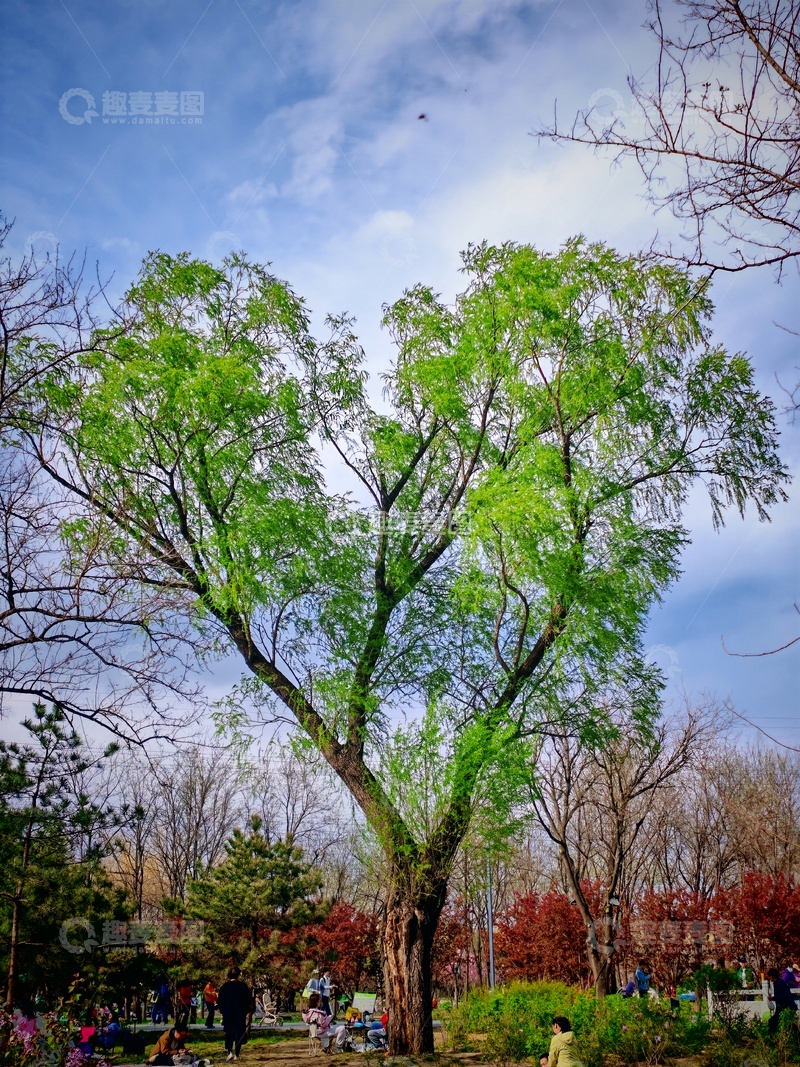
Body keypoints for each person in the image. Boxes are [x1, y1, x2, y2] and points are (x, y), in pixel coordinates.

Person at [217, 967, 252, 1062]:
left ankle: (229, 1052)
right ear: (238, 975)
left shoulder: (224, 987)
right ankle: (237, 1053)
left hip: (228, 1014)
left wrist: (223, 1011)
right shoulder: (243, 986)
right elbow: (248, 1000)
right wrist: (246, 1010)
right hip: (240, 1014)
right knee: (239, 1034)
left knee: (229, 1033)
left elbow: (220, 1001)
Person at [767, 968, 798, 1035]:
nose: (769, 978)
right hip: (783, 1006)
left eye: (769, 976)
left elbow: (783, 996)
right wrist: (773, 998)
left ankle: (772, 1038)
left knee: (775, 1022)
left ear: (771, 976)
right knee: (786, 1023)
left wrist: (773, 998)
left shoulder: (779, 984)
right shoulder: (778, 982)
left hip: (786, 1006)